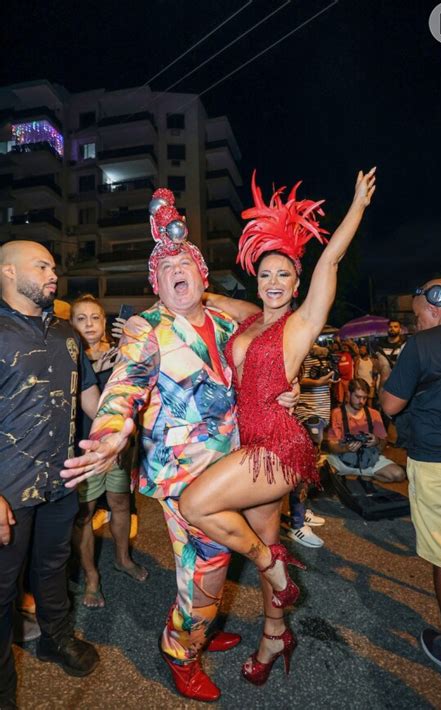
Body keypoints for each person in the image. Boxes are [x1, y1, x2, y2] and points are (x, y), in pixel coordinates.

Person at [59, 187, 298, 702]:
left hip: (235, 464)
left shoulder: (223, 321)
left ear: (201, 275)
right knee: (206, 569)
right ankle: (180, 650)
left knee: (216, 561)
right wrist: (107, 434)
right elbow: (124, 386)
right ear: (155, 284)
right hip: (185, 477)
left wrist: (285, 386)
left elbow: (265, 342)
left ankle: (201, 628)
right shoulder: (147, 328)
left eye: (183, 262)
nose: (174, 272)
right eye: (163, 269)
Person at [178, 167, 377, 686]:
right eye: (264, 275)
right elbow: (197, 297)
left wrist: (356, 204)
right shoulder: (250, 318)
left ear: (295, 281)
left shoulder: (302, 321)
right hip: (248, 441)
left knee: (196, 505)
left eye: (282, 275)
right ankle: (273, 634)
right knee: (265, 530)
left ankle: (270, 565)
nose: (272, 283)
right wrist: (149, 310)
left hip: (277, 447)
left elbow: (330, 257)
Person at [0, 241, 100, 709]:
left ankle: (54, 638)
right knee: (3, 590)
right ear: (7, 272)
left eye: (54, 267)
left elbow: (90, 404)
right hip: (8, 493)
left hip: (61, 483)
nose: (52, 274)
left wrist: (134, 402)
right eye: (41, 266)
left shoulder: (67, 335)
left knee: (54, 567)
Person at [379, 279, 441, 694]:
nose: (417, 326)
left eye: (418, 317)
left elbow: (390, 405)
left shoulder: (424, 345)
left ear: (437, 305)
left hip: (439, 465)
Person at [70, 295, 148, 610]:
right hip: (82, 450)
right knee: (84, 514)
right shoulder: (68, 358)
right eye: (81, 318)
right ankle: (90, 576)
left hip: (118, 447)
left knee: (120, 504)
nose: (89, 324)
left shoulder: (120, 356)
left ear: (105, 323)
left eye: (95, 318)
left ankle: (122, 559)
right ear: (71, 324)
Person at [285, 343, 337, 548]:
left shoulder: (318, 352)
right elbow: (293, 379)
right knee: (302, 469)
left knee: (310, 468)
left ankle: (301, 511)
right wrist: (317, 382)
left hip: (320, 414)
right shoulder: (300, 350)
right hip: (307, 414)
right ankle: (296, 524)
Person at [326, 378, 405, 482]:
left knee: (399, 474)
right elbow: (332, 445)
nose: (361, 401)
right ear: (348, 394)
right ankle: (360, 476)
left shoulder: (374, 414)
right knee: (324, 475)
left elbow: (383, 443)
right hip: (342, 460)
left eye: (364, 398)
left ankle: (360, 475)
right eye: (358, 397)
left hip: (368, 460)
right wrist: (346, 448)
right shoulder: (336, 413)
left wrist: (377, 441)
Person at [354, 341, 376, 405]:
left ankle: (369, 413)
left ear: (366, 350)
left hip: (370, 383)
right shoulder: (358, 360)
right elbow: (355, 374)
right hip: (362, 384)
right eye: (361, 350)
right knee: (362, 400)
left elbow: (375, 372)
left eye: (363, 349)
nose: (362, 351)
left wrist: (374, 380)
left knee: (370, 400)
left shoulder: (371, 360)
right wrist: (359, 383)